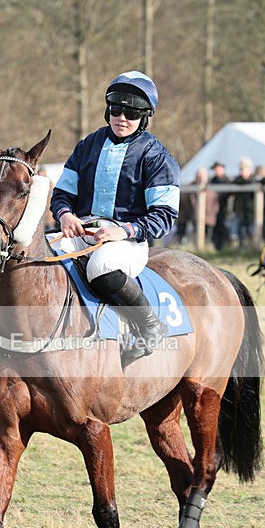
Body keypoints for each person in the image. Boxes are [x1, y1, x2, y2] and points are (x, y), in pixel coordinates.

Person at [50, 70, 180, 362]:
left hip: (129, 240)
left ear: (145, 117)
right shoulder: (88, 145)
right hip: (81, 231)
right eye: (116, 108)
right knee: (39, 255)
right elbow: (62, 194)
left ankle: (150, 327)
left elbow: (165, 215)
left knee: (101, 265)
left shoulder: (157, 156)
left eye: (132, 112)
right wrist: (65, 215)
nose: (122, 117)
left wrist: (123, 231)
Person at [232, 157, 255, 250]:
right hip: (240, 210)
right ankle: (241, 249)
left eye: (244, 169)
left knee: (251, 231)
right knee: (240, 231)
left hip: (251, 211)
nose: (242, 172)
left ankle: (252, 248)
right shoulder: (237, 180)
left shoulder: (254, 180)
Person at [210, 161, 230, 251]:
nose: (216, 171)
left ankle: (226, 247)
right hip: (214, 209)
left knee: (224, 227)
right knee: (216, 228)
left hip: (225, 209)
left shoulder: (228, 181)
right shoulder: (212, 181)